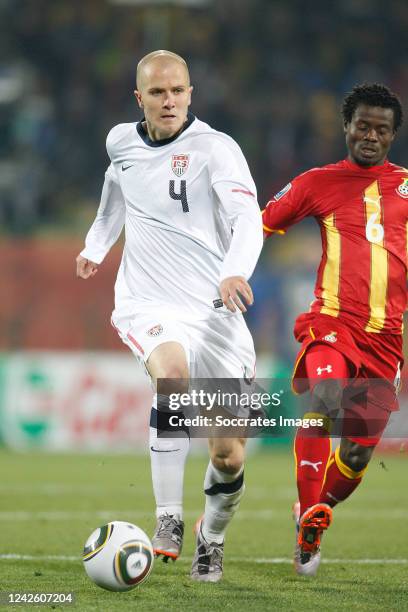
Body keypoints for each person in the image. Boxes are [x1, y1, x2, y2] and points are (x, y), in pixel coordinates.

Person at [76, 50, 263, 582]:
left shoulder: (217, 150)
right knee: (172, 378)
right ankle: (168, 519)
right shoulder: (120, 141)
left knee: (228, 456)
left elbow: (246, 218)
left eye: (178, 90)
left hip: (215, 311)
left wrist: (234, 271)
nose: (169, 101)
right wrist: (97, 245)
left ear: (191, 93)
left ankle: (213, 535)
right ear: (140, 98)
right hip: (148, 301)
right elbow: (115, 190)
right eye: (158, 93)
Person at [262, 83, 406, 576]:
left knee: (357, 455)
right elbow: (259, 225)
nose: (370, 135)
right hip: (332, 324)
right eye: (362, 125)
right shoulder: (317, 182)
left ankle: (315, 518)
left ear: (392, 136)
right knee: (324, 396)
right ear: (346, 127)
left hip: (386, 342)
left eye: (380, 129)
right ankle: (307, 510)